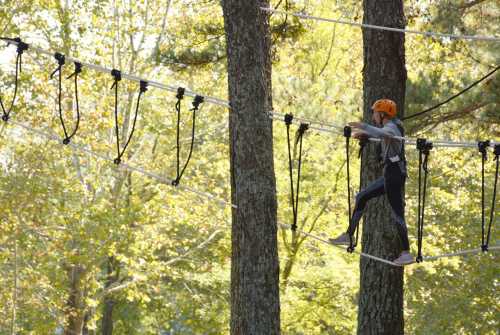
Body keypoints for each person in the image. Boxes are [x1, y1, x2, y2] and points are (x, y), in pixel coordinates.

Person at [330, 99, 414, 266]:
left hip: (394, 175)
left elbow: (386, 134)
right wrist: (367, 135)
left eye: (375, 113)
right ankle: (349, 235)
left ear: (382, 114)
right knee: (362, 196)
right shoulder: (391, 125)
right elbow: (384, 136)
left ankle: (406, 252)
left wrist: (363, 126)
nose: (373, 116)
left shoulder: (391, 127)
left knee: (397, 214)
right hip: (391, 174)